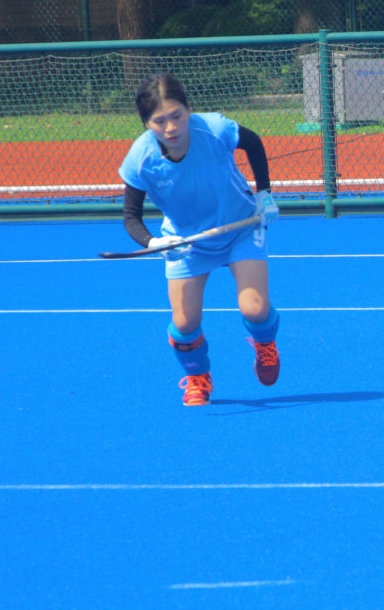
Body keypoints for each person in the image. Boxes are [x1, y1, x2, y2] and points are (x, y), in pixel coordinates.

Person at [119, 73, 281, 406]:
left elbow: (253, 143)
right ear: (146, 123)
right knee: (184, 323)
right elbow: (131, 217)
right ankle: (197, 377)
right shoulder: (140, 158)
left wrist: (264, 194)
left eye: (177, 116)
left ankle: (265, 343)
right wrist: (153, 243)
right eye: (159, 121)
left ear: (188, 109)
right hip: (186, 243)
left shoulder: (215, 129)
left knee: (255, 309)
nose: (171, 128)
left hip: (240, 228)